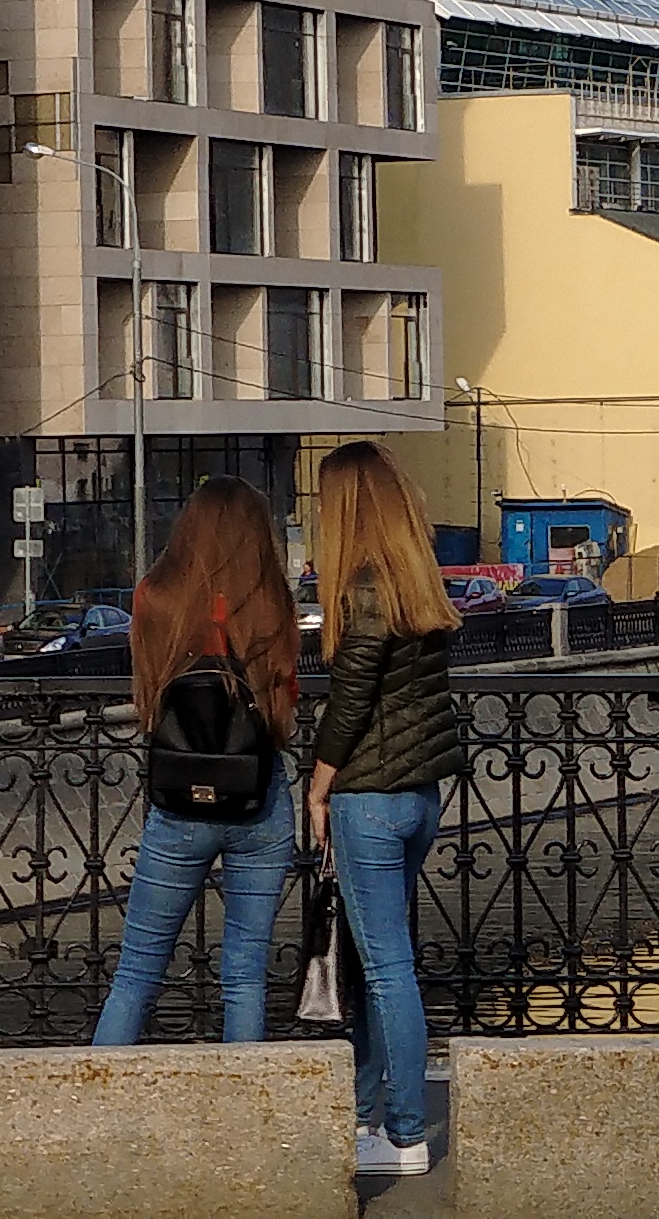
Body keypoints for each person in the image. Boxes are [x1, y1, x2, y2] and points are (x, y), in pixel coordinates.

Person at [90, 476, 304, 1046]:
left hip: (180, 795)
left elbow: (147, 700)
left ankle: (95, 1094)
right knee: (245, 974)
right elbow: (284, 714)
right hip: (257, 797)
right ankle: (243, 1096)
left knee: (136, 973)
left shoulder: (154, 597)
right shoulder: (271, 603)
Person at [306, 439, 461, 1178]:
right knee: (377, 964)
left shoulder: (363, 589)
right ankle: (366, 1116)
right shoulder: (414, 579)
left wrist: (318, 787)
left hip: (369, 798)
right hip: (419, 796)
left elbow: (350, 704)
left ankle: (402, 1135)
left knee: (387, 969)